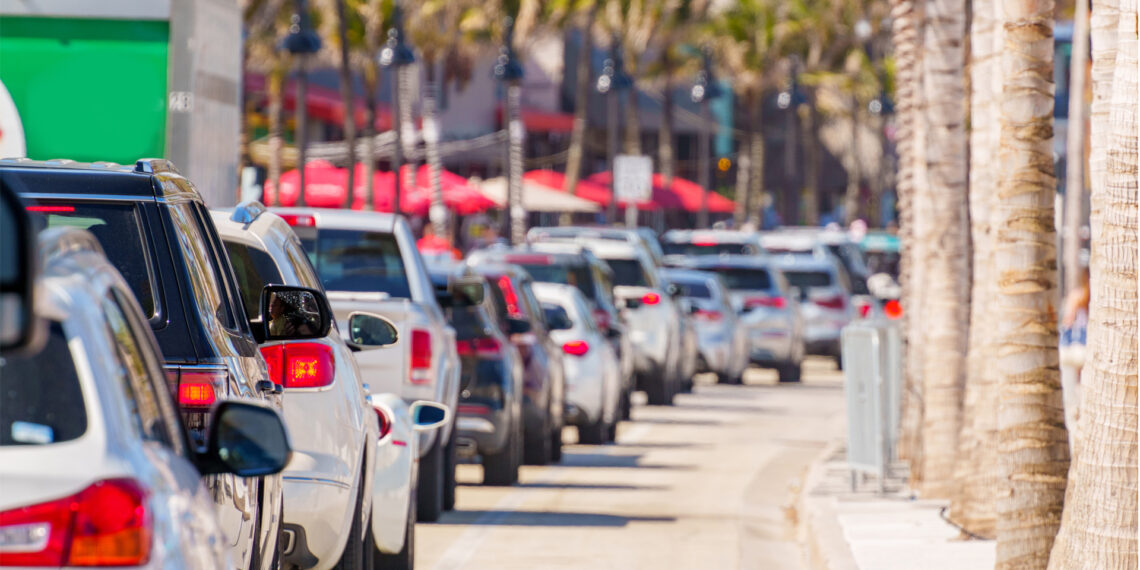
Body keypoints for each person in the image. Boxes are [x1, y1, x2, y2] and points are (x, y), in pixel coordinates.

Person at [1059, 266, 1089, 442]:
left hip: (1073, 351)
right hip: (1088, 351)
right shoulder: (1096, 296)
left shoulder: (1076, 295)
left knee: (1070, 395)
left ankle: (1073, 423)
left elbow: (1068, 321)